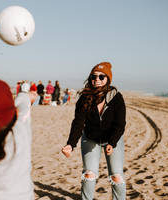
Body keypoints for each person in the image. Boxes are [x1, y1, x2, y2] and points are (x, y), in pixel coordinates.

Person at [61, 62, 126, 200]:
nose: (97, 79)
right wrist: (70, 144)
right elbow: (78, 123)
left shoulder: (116, 97)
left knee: (116, 176)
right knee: (89, 174)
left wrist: (112, 143)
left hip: (112, 139)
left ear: (108, 79)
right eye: (93, 76)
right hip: (91, 138)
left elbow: (120, 124)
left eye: (101, 77)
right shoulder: (85, 98)